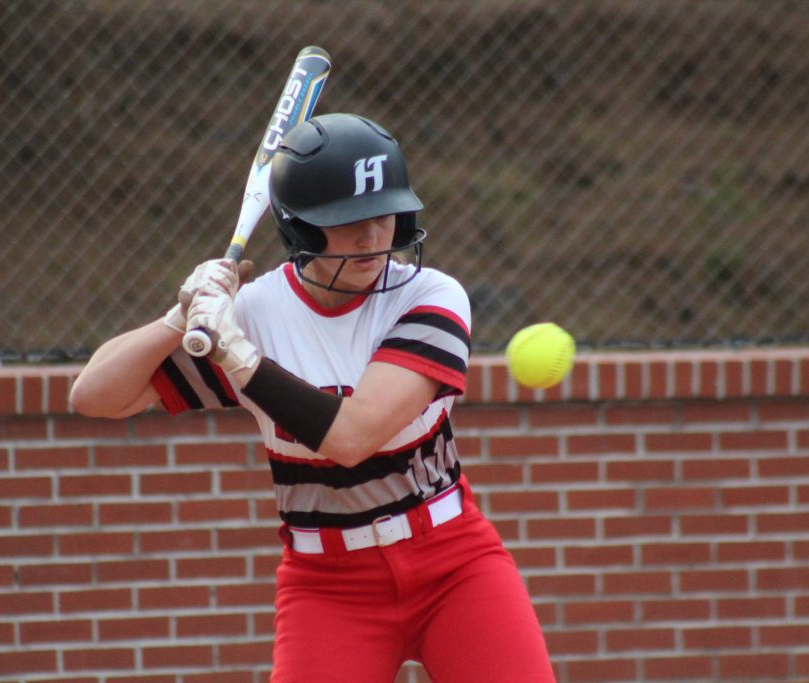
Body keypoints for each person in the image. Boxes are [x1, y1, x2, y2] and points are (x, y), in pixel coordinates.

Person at [69, 113, 555, 683]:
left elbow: (354, 436)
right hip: (328, 585)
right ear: (300, 229)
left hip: (453, 562)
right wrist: (179, 316)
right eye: (348, 222)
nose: (373, 238)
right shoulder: (255, 313)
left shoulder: (430, 296)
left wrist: (240, 358)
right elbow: (95, 396)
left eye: (383, 214)